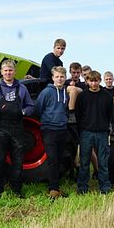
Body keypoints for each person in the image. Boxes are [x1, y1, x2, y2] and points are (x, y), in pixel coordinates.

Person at [0, 59, 35, 198]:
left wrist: (23, 112)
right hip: (0, 128)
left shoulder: (22, 89)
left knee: (18, 160)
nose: (8, 73)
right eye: (5, 70)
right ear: (1, 72)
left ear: (15, 72)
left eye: (10, 70)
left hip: (17, 128)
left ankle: (16, 189)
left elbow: (30, 106)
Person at [74, 70, 113, 194]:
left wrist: (106, 128)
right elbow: (78, 114)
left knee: (103, 161)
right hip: (86, 132)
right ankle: (82, 187)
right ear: (87, 81)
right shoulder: (82, 96)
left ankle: (104, 187)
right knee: (84, 161)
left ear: (99, 81)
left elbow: (110, 114)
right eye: (91, 81)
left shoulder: (106, 96)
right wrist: (82, 129)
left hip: (102, 132)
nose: (94, 83)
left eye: (96, 81)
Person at [35, 66, 71, 199]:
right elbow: (38, 109)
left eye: (62, 77)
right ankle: (53, 189)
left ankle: (56, 187)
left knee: (60, 158)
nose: (59, 79)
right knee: (52, 159)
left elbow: (65, 109)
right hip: (49, 129)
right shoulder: (46, 92)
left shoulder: (65, 93)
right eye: (57, 77)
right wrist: (47, 120)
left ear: (65, 78)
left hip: (62, 129)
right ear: (53, 78)